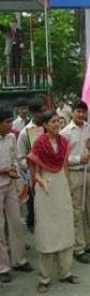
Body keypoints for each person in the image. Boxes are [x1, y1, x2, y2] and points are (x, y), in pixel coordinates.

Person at [27, 111, 79, 293]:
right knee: (47, 233)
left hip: (61, 187)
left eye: (58, 121)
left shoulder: (64, 142)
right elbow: (35, 171)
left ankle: (66, 272)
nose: (57, 124)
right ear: (45, 124)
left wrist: (68, 185)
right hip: (46, 189)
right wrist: (40, 181)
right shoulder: (39, 143)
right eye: (53, 121)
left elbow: (64, 166)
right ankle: (44, 278)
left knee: (65, 229)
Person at [61, 100, 90, 265]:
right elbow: (63, 159)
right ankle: (78, 248)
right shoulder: (65, 132)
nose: (80, 114)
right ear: (72, 113)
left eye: (83, 112)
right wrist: (79, 158)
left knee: (88, 210)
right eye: (77, 111)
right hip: (75, 174)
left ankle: (87, 242)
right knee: (77, 211)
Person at [0, 108, 33, 284]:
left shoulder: (11, 137)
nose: (10, 125)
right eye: (7, 122)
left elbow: (14, 159)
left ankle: (19, 260)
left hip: (10, 185)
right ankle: (3, 267)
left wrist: (14, 172)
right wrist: (3, 170)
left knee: (16, 223)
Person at [17, 98, 45, 233]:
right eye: (40, 112)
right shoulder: (26, 132)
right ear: (33, 113)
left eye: (44, 110)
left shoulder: (50, 126)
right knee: (35, 205)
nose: (42, 114)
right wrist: (31, 165)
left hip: (52, 173)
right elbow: (20, 158)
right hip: (35, 176)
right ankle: (33, 224)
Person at [0, 17, 24, 84]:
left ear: (16, 24)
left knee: (17, 66)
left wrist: (22, 43)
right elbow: (0, 26)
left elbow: (22, 39)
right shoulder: (7, 30)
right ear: (10, 24)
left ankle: (17, 81)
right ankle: (10, 81)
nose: (13, 24)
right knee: (10, 66)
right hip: (9, 50)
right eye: (12, 23)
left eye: (14, 23)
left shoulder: (20, 31)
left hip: (17, 50)